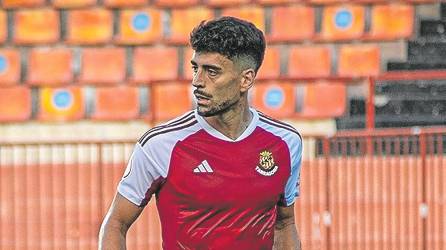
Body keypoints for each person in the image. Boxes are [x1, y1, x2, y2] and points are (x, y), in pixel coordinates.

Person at [99, 16, 303, 250]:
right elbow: (116, 223)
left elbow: (285, 223)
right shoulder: (161, 144)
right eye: (196, 68)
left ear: (245, 79)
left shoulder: (286, 142)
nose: (197, 81)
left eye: (212, 72)